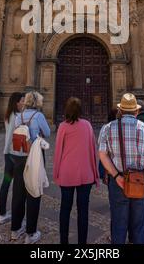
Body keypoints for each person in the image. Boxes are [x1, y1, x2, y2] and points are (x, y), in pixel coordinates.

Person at [99, 93, 144, 244]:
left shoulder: (107, 128)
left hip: (118, 181)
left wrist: (116, 176)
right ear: (136, 111)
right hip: (140, 182)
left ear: (120, 111)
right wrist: (142, 176)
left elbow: (102, 154)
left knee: (118, 224)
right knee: (140, 225)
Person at [53, 97, 99, 244]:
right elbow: (93, 150)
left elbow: (58, 152)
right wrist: (95, 175)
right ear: (80, 110)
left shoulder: (63, 127)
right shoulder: (87, 125)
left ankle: (64, 242)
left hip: (67, 175)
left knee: (65, 209)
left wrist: (56, 174)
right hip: (86, 175)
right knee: (83, 211)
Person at [11, 90, 50, 243]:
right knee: (34, 191)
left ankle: (15, 229)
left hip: (19, 156)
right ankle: (31, 233)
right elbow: (47, 132)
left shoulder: (18, 116)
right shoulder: (38, 116)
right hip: (34, 157)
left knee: (18, 192)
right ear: (37, 102)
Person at [0, 92, 25, 225]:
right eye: (22, 101)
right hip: (13, 154)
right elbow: (11, 136)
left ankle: (2, 213)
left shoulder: (8, 115)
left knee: (6, 183)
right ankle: (14, 217)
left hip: (8, 153)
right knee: (17, 186)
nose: (24, 103)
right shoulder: (16, 117)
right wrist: (9, 151)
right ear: (16, 102)